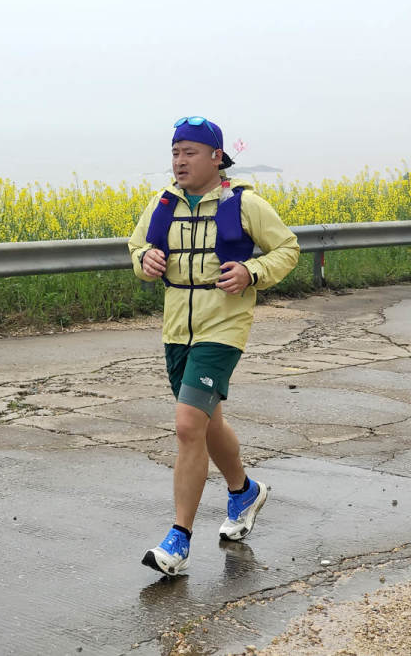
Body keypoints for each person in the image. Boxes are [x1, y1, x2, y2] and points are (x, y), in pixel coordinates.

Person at [128, 116, 300, 576]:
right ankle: (243, 491)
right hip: (175, 329)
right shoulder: (163, 204)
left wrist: (252, 272)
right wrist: (144, 259)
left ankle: (178, 540)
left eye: (189, 152)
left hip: (222, 327)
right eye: (175, 152)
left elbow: (287, 248)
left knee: (187, 426)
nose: (179, 161)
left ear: (216, 157)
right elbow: (136, 246)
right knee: (205, 424)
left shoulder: (245, 204)